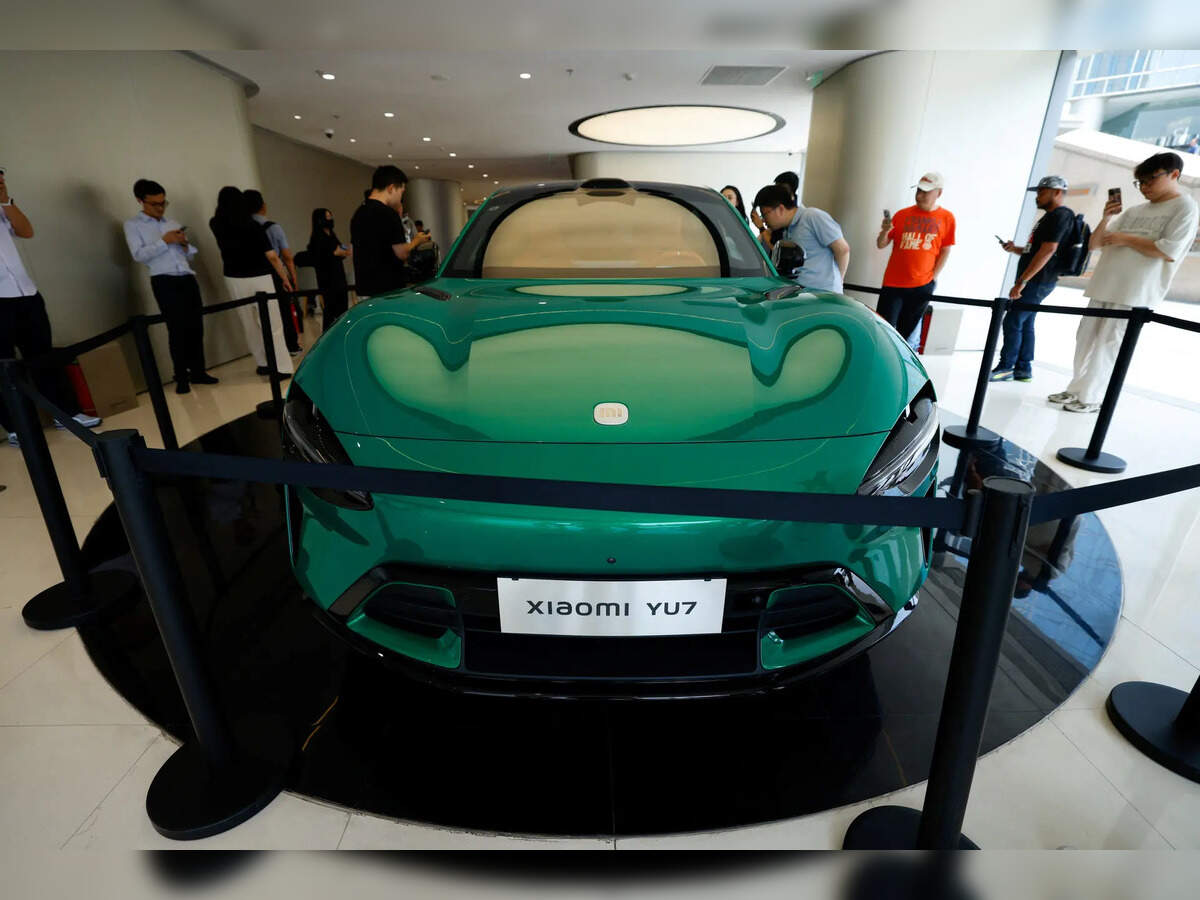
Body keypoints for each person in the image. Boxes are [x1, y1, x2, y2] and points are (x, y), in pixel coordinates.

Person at [1050, 152, 1199, 413]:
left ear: (1174, 174)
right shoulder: (1134, 210)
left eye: (1150, 180)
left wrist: (1125, 239)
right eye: (1140, 182)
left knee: (1109, 344)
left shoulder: (1185, 208)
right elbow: (1095, 244)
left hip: (1135, 291)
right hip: (1104, 284)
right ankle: (1075, 389)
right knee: (1085, 339)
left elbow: (1169, 250)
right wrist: (1106, 218)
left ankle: (1091, 397)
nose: (1144, 187)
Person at [0, 168, 101, 445]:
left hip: (25, 291)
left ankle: (65, 413)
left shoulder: (3, 207)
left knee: (43, 355)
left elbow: (26, 231)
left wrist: (5, 200)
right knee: (3, 365)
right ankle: (16, 426)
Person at [123, 179, 217, 394]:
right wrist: (164, 241)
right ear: (140, 201)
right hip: (164, 280)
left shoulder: (172, 223)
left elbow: (189, 256)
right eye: (155, 204)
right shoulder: (133, 225)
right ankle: (181, 377)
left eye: (163, 203)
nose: (160, 208)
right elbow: (138, 255)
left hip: (187, 277)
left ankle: (199, 371)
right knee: (176, 329)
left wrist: (184, 244)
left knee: (196, 327)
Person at [990, 175, 1075, 383]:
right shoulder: (1050, 217)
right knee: (1026, 323)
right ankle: (1023, 369)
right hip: (1038, 280)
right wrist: (1015, 249)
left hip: (1038, 281)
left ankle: (1006, 367)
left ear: (1057, 192)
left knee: (1013, 321)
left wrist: (1022, 281)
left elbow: (1049, 250)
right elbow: (1036, 249)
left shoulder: (1060, 215)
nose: (1038, 196)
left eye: (1042, 192)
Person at [208, 186, 294, 379]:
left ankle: (263, 363)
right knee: (273, 324)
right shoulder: (252, 225)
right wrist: (284, 278)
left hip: (233, 277)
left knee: (248, 323)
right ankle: (282, 367)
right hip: (260, 276)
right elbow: (272, 256)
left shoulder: (215, 223)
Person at [875, 172, 956, 342]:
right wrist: (884, 231)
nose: (919, 196)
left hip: (922, 284)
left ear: (938, 193)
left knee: (905, 334)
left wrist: (932, 277)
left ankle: (902, 358)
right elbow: (881, 244)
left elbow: (945, 250)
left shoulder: (946, 218)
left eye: (925, 192)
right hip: (893, 282)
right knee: (883, 330)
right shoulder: (901, 215)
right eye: (918, 190)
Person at [350, 166, 430, 299]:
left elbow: (352, 251)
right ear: (391, 188)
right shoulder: (388, 214)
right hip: (387, 288)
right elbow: (402, 253)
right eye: (401, 192)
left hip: (364, 288)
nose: (400, 198)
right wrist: (417, 240)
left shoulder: (359, 213)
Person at [752, 183, 850, 293]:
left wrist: (839, 281)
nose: (763, 220)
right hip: (802, 294)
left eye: (764, 214)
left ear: (780, 209)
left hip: (823, 294)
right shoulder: (787, 229)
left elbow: (842, 249)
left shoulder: (812, 217)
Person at [244, 189, 301, 355]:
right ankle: (291, 345)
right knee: (283, 309)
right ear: (263, 206)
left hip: (255, 274)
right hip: (276, 273)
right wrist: (292, 278)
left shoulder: (244, 227)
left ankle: (272, 349)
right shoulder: (273, 228)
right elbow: (286, 256)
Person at [307, 207, 351, 332]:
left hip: (338, 275)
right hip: (327, 278)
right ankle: (329, 333)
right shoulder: (317, 237)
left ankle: (341, 331)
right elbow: (334, 252)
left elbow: (342, 250)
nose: (330, 219)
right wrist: (337, 252)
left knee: (342, 306)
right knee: (330, 308)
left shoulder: (331, 234)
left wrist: (339, 252)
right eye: (327, 217)